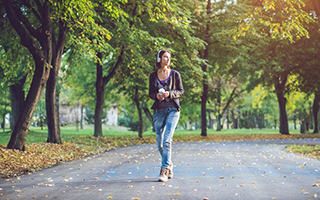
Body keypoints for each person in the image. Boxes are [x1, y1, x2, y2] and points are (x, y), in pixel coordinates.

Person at [148, 49, 184, 182]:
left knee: (167, 140)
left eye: (168, 57)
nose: (167, 59)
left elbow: (180, 91)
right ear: (159, 59)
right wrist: (156, 96)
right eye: (164, 57)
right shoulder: (153, 75)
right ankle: (169, 163)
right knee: (160, 144)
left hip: (173, 110)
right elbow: (151, 93)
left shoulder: (175, 74)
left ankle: (164, 170)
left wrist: (170, 94)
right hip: (159, 111)